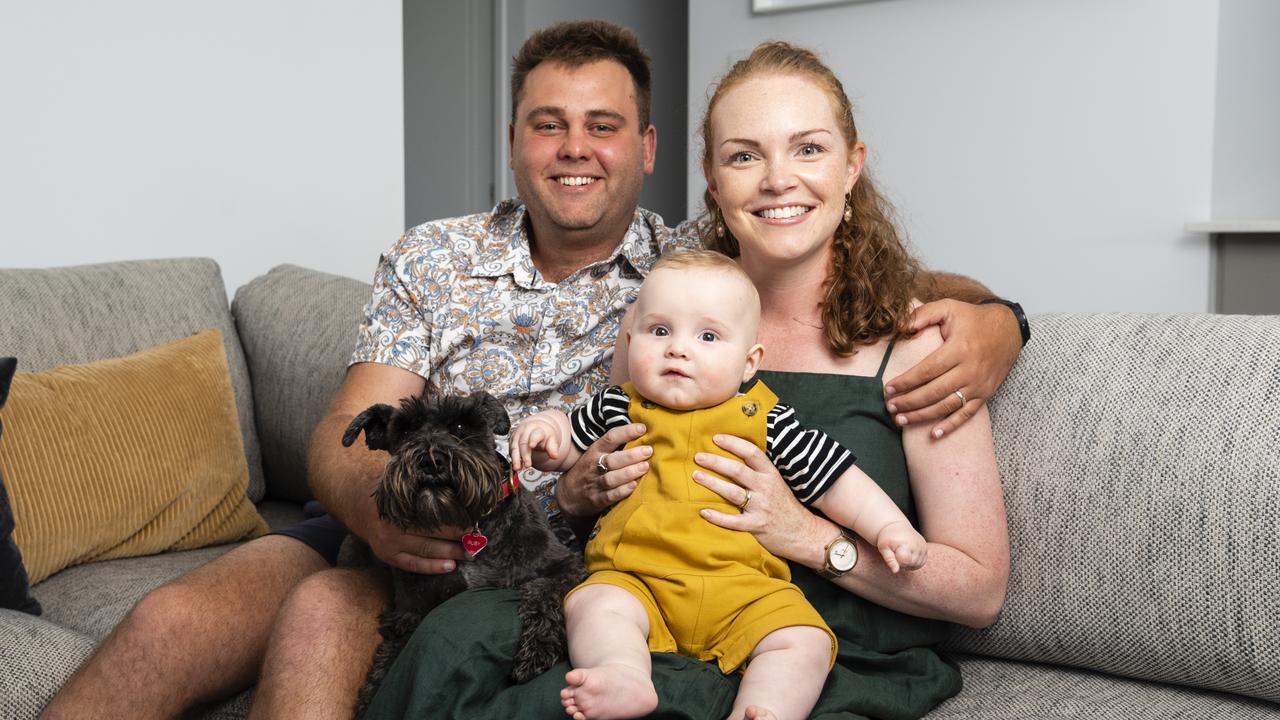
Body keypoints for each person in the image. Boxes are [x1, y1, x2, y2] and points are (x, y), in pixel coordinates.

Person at [43, 24, 1016, 720]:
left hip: (551, 559)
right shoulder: (432, 257)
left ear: (645, 153)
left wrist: (996, 323)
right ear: (513, 142)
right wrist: (391, 524)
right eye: (548, 124)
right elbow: (346, 434)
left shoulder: (681, 265)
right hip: (405, 530)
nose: (574, 150)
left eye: (603, 126)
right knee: (173, 620)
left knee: (326, 626)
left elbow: (858, 270)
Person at [364, 39, 1010, 720]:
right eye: (743, 155)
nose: (777, 179)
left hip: (813, 648)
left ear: (853, 167)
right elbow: (599, 455)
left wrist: (807, 537)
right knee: (447, 651)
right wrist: (579, 492)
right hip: (643, 624)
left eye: (809, 149)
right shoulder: (660, 317)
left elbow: (978, 592)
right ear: (712, 177)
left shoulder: (923, 345)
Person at [511, 250, 929, 720]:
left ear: (749, 362)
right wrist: (547, 432)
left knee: (803, 640)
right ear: (630, 341)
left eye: (707, 336)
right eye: (660, 331)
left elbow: (834, 481)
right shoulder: (617, 407)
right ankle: (623, 674)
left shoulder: (765, 420)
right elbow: (569, 450)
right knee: (593, 603)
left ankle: (766, 709)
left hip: (743, 589)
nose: (678, 349)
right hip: (637, 579)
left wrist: (889, 528)